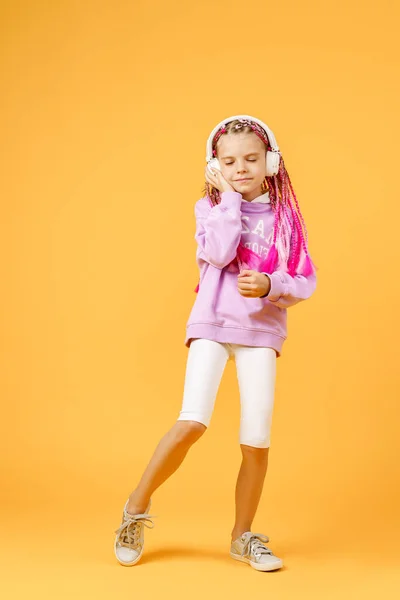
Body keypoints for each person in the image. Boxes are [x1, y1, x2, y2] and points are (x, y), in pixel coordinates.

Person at [114, 114, 317, 571]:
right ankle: (135, 506)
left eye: (250, 159)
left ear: (271, 161)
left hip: (260, 333)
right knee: (192, 422)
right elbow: (221, 252)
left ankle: (242, 537)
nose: (240, 168)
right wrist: (228, 199)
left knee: (256, 439)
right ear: (215, 166)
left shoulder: (286, 219)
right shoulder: (210, 209)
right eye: (229, 161)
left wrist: (269, 285)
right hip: (210, 325)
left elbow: (305, 279)